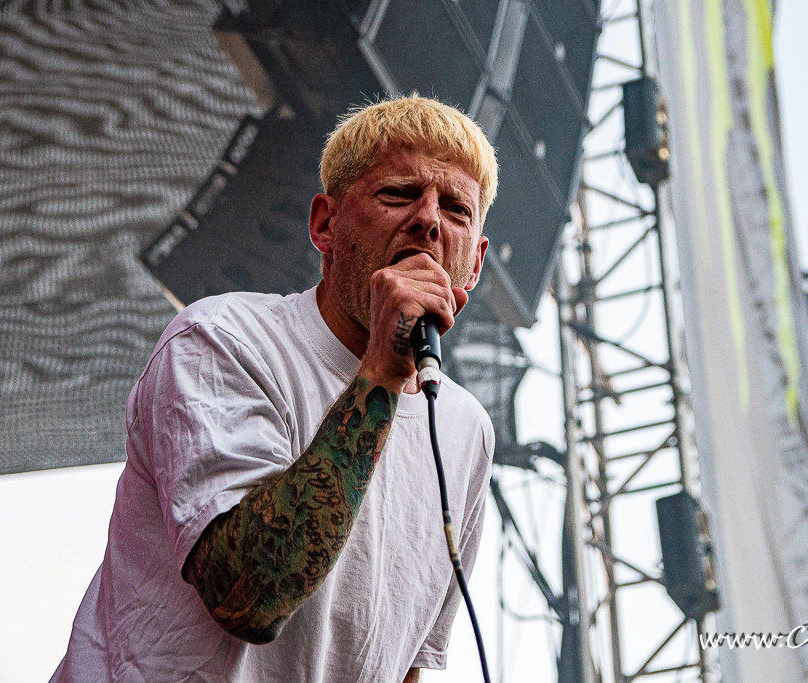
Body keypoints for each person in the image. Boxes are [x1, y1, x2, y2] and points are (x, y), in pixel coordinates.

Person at [51, 96, 497, 683]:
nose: (429, 220)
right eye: (397, 194)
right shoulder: (221, 339)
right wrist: (384, 370)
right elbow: (252, 595)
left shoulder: (466, 429)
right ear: (325, 224)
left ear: (475, 265)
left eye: (457, 209)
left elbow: (407, 665)